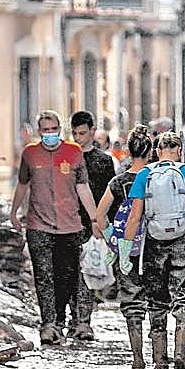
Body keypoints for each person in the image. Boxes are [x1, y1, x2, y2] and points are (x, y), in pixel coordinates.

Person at [119, 132, 185, 369]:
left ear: (157, 151)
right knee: (184, 298)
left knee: (156, 301)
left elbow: (134, 217)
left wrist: (125, 250)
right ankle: (180, 353)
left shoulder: (145, 174)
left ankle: (159, 358)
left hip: (154, 244)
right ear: (179, 151)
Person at [11, 110, 102, 346]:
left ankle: (63, 320)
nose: (50, 134)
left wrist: (94, 219)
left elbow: (83, 188)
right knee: (43, 277)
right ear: (39, 131)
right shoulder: (30, 154)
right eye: (45, 130)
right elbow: (22, 184)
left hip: (69, 226)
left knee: (66, 277)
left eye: (54, 130)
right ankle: (49, 325)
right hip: (38, 225)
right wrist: (14, 212)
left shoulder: (73, 153)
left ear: (60, 130)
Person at [95, 125, 154, 369]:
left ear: (129, 150)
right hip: (156, 247)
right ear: (151, 151)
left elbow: (100, 216)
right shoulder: (156, 178)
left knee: (132, 302)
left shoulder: (118, 182)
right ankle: (162, 356)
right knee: (157, 302)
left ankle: (137, 356)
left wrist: (113, 239)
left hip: (126, 250)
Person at [68, 111, 118, 341]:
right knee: (69, 273)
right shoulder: (66, 158)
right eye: (75, 133)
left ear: (92, 130)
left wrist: (106, 224)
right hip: (68, 221)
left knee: (87, 273)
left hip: (93, 224)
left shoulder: (103, 161)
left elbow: (111, 194)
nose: (79, 138)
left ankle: (83, 321)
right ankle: (72, 318)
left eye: (83, 133)